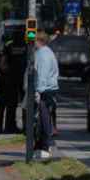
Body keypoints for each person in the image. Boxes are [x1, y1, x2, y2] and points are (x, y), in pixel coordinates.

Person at [33, 31, 59, 159]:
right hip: (49, 90)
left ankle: (46, 146)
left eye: (34, 41)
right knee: (43, 118)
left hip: (45, 90)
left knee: (43, 119)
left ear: (39, 41)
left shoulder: (43, 55)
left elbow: (42, 75)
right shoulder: (47, 52)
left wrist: (38, 91)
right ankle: (41, 146)